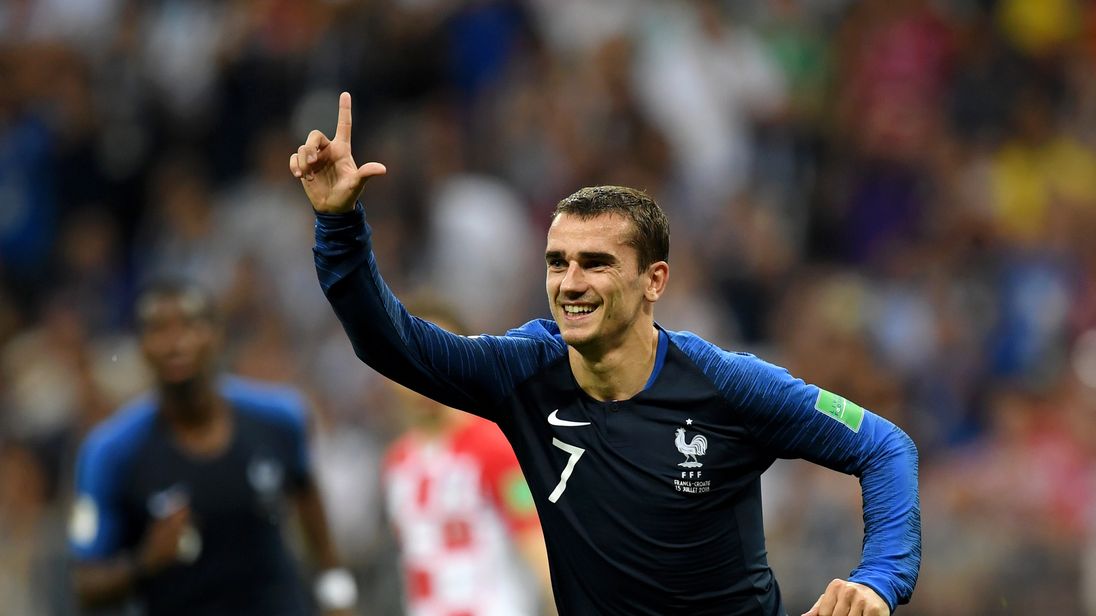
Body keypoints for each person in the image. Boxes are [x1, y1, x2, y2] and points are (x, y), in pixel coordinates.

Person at [291, 92, 920, 616]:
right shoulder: (525, 371)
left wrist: (878, 578)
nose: (570, 283)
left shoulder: (727, 384)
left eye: (596, 263)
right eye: (557, 263)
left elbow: (884, 445)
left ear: (654, 281)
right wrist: (340, 225)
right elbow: (393, 344)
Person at [68, 279, 358, 616]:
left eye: (190, 324)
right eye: (158, 329)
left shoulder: (280, 419)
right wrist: (143, 562)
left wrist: (338, 596)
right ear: (141, 345)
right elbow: (85, 584)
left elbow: (310, 506)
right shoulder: (109, 452)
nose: (176, 343)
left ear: (217, 334)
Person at [381, 298, 554, 616]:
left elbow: (538, 547)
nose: (425, 373)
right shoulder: (397, 461)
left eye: (438, 357)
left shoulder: (495, 447)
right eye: (412, 357)